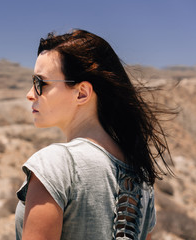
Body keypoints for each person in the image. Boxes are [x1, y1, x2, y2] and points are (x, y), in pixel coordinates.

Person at [15, 29, 174, 240]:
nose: (29, 94)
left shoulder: (55, 164)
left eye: (40, 84)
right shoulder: (142, 178)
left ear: (82, 93)